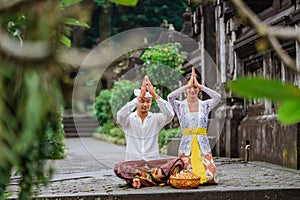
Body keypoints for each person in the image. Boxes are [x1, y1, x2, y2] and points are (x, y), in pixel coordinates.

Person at [114, 76, 184, 188]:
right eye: (142, 101)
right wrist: (138, 97)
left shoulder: (156, 119)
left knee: (178, 162)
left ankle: (139, 179)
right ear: (137, 101)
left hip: (153, 164)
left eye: (148, 101)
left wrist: (156, 96)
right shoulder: (128, 120)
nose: (145, 104)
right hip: (133, 164)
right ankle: (148, 179)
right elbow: (119, 115)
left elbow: (170, 115)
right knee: (119, 168)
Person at [167, 66, 221, 184]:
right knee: (184, 178)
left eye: (195, 87)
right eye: (189, 88)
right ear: (185, 89)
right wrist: (187, 84)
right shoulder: (180, 106)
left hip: (202, 143)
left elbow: (218, 97)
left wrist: (201, 86)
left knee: (210, 179)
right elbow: (170, 97)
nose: (192, 90)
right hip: (187, 144)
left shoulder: (205, 105)